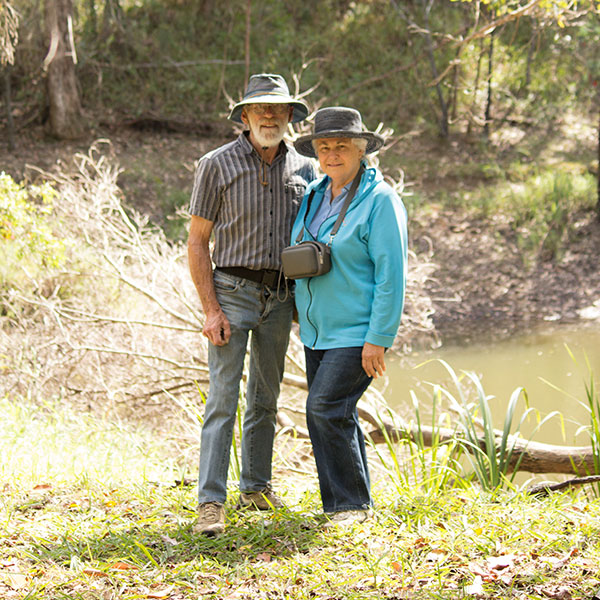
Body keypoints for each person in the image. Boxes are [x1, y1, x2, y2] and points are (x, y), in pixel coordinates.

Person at [187, 73, 316, 536]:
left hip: (281, 297)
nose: (268, 115)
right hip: (232, 293)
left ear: (289, 116)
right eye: (259, 108)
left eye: (277, 108)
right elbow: (198, 243)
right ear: (243, 115)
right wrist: (210, 309)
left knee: (266, 397)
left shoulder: (307, 170)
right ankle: (211, 502)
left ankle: (256, 487)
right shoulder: (215, 165)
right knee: (223, 398)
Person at [290, 106, 408, 528]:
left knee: (323, 409)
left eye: (341, 145)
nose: (332, 153)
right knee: (338, 413)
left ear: (361, 150)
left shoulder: (380, 200)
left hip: (357, 331)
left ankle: (350, 507)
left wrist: (379, 337)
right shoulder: (314, 195)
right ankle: (349, 504)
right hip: (316, 331)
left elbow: (391, 276)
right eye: (324, 146)